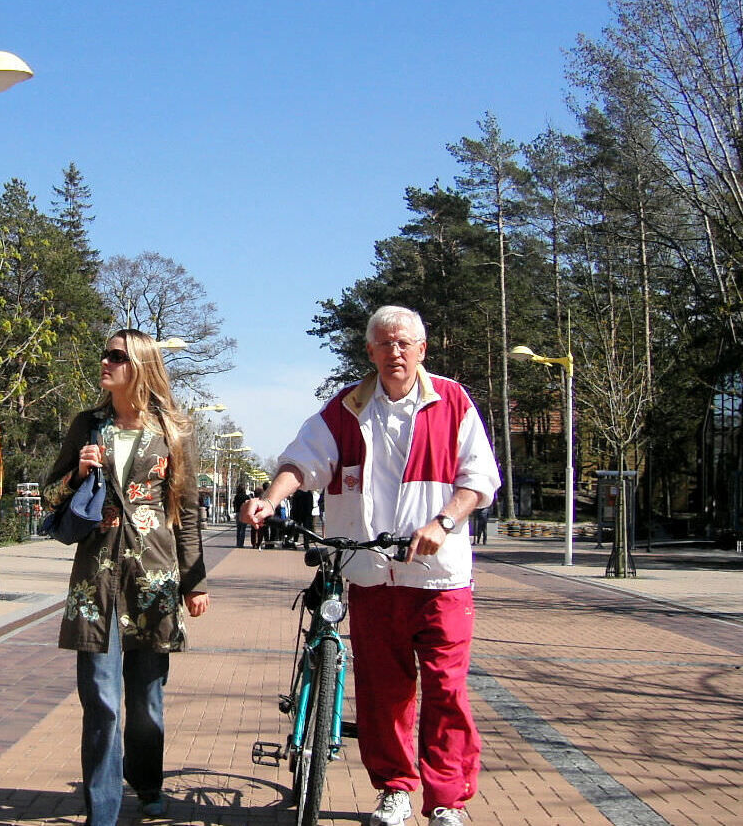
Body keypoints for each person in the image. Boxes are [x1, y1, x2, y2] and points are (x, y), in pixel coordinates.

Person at [241, 305, 499, 826]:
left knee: (446, 690)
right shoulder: (347, 408)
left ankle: (447, 799)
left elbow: (479, 478)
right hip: (370, 575)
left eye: (404, 343)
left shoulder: (452, 401)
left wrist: (444, 523)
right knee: (383, 692)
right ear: (370, 352)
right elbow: (302, 460)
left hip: (438, 576)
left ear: (422, 349)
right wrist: (271, 497)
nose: (395, 352)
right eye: (384, 344)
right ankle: (395, 789)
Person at [43, 329, 209, 826]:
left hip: (154, 580)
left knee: (146, 700)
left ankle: (148, 781)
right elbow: (50, 497)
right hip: (95, 580)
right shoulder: (87, 425)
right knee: (101, 699)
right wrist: (76, 473)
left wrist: (194, 582)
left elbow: (188, 510)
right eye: (105, 353)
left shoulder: (172, 430)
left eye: (116, 356)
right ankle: (104, 811)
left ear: (139, 366)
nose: (105, 361)